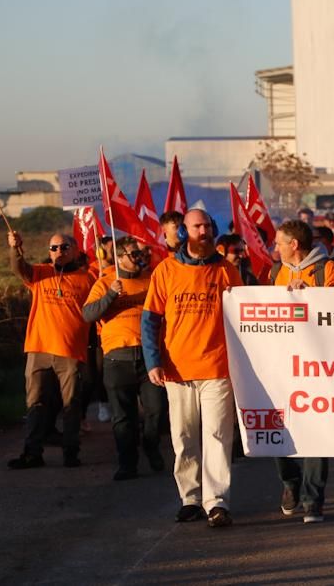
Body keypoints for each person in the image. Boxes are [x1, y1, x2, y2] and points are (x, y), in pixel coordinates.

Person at [141, 209, 243, 528]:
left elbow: (244, 316)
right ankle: (190, 498)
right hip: (177, 369)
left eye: (207, 225)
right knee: (184, 436)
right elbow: (150, 319)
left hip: (217, 367)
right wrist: (153, 361)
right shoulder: (166, 270)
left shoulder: (227, 270)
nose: (204, 231)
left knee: (217, 436)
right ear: (184, 231)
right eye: (197, 226)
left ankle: (217, 502)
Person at [271, 220, 334, 522]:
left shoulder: (327, 270)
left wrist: (311, 296)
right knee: (277, 426)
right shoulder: (275, 273)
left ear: (294, 245)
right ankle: (290, 481)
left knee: (316, 430)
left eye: (279, 243)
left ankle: (312, 498)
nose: (275, 248)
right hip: (282, 362)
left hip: (318, 365)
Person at [6, 231, 93, 469]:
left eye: (64, 247)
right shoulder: (40, 273)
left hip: (71, 352)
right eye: (53, 248)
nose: (58, 252)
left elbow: (99, 309)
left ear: (75, 251)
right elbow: (18, 268)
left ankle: (71, 452)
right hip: (39, 349)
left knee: (71, 404)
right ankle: (32, 453)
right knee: (35, 403)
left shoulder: (87, 280)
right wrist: (15, 248)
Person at [82, 237, 165, 480]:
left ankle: (150, 444)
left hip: (149, 357)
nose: (139, 258)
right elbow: (88, 314)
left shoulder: (151, 280)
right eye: (133, 254)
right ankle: (127, 463)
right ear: (119, 258)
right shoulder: (105, 282)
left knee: (157, 409)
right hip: (117, 359)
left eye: (140, 254)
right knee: (123, 417)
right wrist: (110, 294)